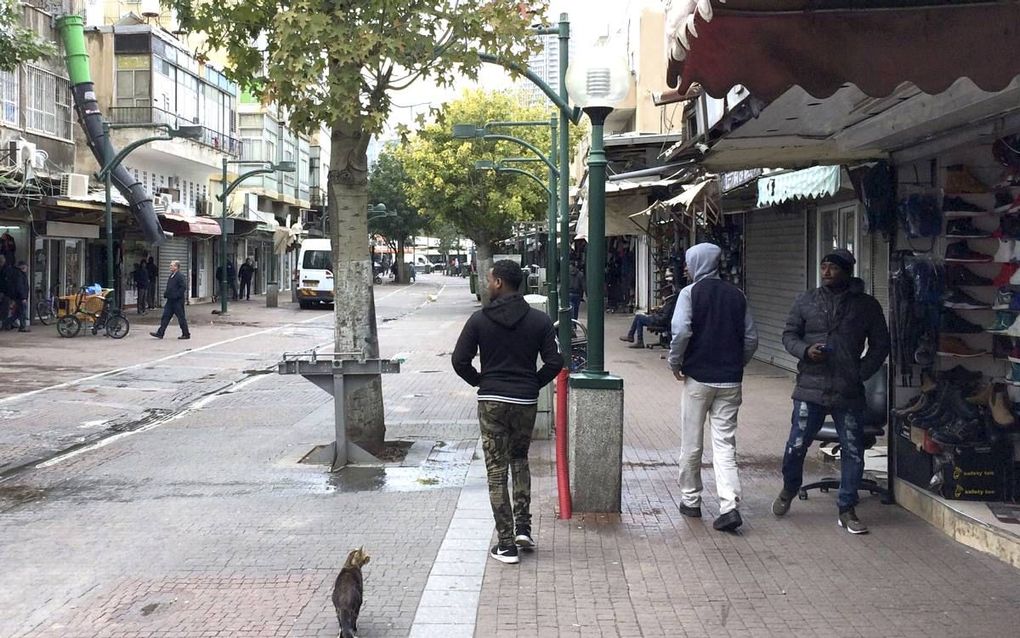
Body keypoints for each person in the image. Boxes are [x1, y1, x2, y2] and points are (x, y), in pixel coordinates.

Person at [452, 259, 564, 565]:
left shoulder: (479, 320)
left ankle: (505, 544)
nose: (487, 284)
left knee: (496, 470)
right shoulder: (539, 321)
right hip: (525, 403)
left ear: (499, 283)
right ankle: (523, 528)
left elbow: (459, 360)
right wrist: (532, 384)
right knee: (519, 459)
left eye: (489, 280)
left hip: (492, 402)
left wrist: (481, 381)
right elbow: (556, 361)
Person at [776, 248, 890, 534]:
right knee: (796, 445)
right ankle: (790, 487)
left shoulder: (866, 305)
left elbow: (880, 345)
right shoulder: (806, 300)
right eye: (824, 266)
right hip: (809, 387)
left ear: (846, 271)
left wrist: (860, 371)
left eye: (833, 268)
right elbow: (789, 335)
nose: (826, 271)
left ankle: (847, 507)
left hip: (848, 390)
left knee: (853, 450)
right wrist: (805, 350)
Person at [668, 243, 758, 532]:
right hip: (731, 381)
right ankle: (729, 505)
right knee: (725, 444)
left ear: (698, 263)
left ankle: (691, 500)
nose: (686, 267)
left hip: (698, 379)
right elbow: (751, 339)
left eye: (688, 262)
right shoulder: (738, 295)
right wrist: (736, 363)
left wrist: (675, 362)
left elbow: (681, 331)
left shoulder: (689, 293)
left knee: (691, 443)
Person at [619, 276, 677, 348]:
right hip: (660, 320)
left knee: (639, 317)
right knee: (639, 318)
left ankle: (636, 339)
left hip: (660, 321)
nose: (663, 295)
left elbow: (664, 318)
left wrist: (653, 316)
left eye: (664, 293)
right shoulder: (670, 301)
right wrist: (658, 311)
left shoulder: (670, 302)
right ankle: (632, 337)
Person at [150, 260, 190, 340]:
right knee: (165, 316)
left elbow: (183, 287)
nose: (170, 267)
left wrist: (176, 295)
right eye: (170, 265)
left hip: (177, 301)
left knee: (181, 317)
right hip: (170, 301)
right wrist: (166, 294)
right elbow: (170, 287)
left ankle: (186, 334)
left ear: (176, 267)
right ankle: (160, 333)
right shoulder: (172, 275)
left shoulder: (180, 276)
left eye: (172, 265)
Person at [11, 261, 30, 332]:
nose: (27, 268)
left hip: (19, 297)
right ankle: (22, 327)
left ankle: (5, 324)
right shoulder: (19, 274)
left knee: (17, 314)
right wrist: (23, 297)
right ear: (22, 267)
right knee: (22, 312)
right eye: (26, 267)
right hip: (20, 297)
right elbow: (20, 287)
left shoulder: (20, 274)